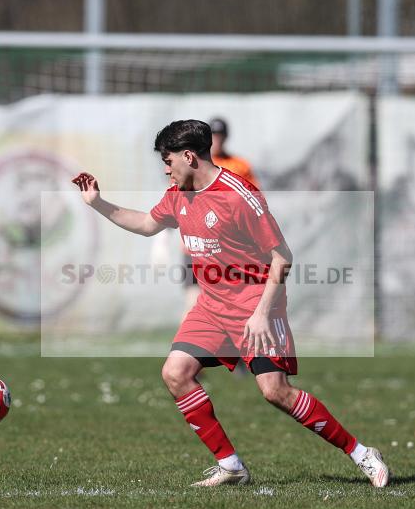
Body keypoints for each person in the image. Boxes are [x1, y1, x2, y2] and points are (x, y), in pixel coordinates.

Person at [71, 120, 389, 488]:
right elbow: (145, 223)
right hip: (211, 307)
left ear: (189, 156)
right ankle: (231, 465)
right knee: (176, 373)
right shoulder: (178, 193)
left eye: (167, 159)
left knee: (275, 392)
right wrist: (97, 203)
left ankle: (362, 453)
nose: (165, 168)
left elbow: (282, 258)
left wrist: (261, 313)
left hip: (256, 305)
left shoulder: (240, 196)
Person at [208, 117, 259, 188]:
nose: (217, 139)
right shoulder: (200, 164)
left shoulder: (241, 165)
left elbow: (254, 194)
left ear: (226, 137)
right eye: (213, 135)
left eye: (220, 135)